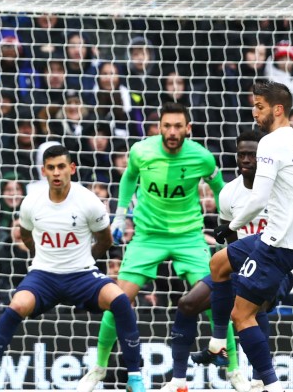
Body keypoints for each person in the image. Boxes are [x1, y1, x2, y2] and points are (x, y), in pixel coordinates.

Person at [80, 101, 231, 392]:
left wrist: (230, 221)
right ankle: (97, 369)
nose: (172, 132)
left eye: (178, 126)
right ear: (159, 127)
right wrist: (121, 215)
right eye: (167, 126)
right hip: (147, 236)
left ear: (188, 128)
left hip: (189, 236)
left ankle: (237, 372)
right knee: (118, 300)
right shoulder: (141, 151)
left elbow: (221, 189)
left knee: (217, 304)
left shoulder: (202, 158)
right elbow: (128, 178)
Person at [0, 145, 145, 392]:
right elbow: (25, 235)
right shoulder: (31, 202)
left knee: (120, 300)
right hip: (44, 275)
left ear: (72, 169)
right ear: (43, 171)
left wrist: (87, 257)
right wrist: (42, 257)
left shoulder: (88, 201)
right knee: (16, 305)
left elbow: (106, 240)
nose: (56, 172)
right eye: (51, 167)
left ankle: (135, 377)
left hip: (82, 275)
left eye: (61, 167)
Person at [199, 80, 293, 392]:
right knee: (219, 264)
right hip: (282, 239)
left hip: (277, 246)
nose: (254, 113)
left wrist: (230, 227)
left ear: (278, 109)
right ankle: (218, 343)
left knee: (241, 316)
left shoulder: (270, 143)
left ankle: (270, 385)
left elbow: (257, 200)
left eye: (259, 107)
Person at [173, 129, 268, 392]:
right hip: (241, 267)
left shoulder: (278, 189)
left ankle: (260, 378)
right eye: (242, 154)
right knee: (187, 304)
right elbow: (232, 241)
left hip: (275, 266)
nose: (246, 159)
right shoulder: (228, 193)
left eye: (253, 154)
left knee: (251, 308)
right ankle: (178, 381)